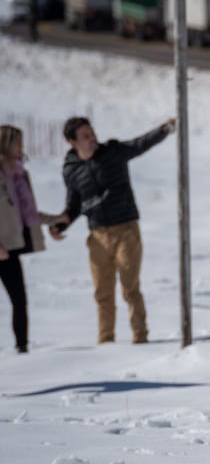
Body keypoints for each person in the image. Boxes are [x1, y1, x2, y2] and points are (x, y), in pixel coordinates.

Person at [56, 116, 175, 344]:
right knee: (103, 293)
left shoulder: (112, 152)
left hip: (126, 229)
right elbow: (74, 204)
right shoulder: (71, 170)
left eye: (92, 132)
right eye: (85, 136)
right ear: (73, 142)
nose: (92, 138)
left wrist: (164, 130)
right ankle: (106, 342)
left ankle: (140, 338)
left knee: (130, 288)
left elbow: (139, 144)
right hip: (98, 236)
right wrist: (61, 225)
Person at [1, 125, 66, 353]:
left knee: (19, 300)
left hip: (10, 248)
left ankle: (22, 347)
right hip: (1, 247)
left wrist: (55, 218)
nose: (22, 148)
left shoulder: (19, 175)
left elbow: (26, 213)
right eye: (18, 142)